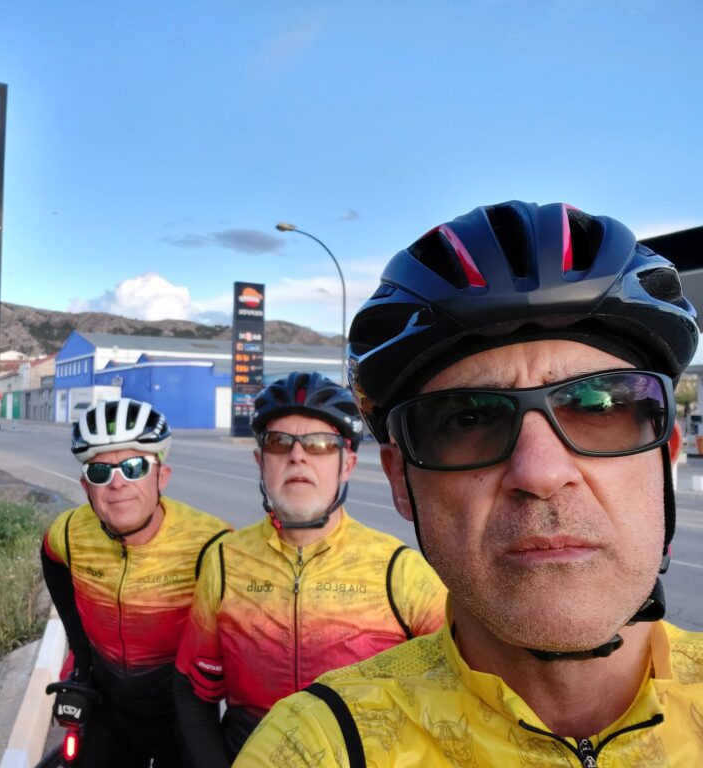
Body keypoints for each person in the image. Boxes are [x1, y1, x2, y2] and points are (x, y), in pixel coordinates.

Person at [234, 201, 703, 767]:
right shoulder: (321, 744)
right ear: (400, 481)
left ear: (666, 455)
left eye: (599, 406)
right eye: (467, 419)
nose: (541, 474)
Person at [175, 372, 446, 766]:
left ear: (347, 464)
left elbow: (456, 696)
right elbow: (193, 688)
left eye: (320, 444)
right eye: (278, 442)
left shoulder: (399, 570)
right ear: (260, 462)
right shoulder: (224, 561)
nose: (297, 456)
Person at [41, 398, 231, 768]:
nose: (117, 484)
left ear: (162, 476)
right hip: (108, 710)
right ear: (86, 486)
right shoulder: (68, 532)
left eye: (134, 467)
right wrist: (81, 655)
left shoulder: (212, 543)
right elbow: (51, 559)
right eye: (100, 472)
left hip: (183, 716)